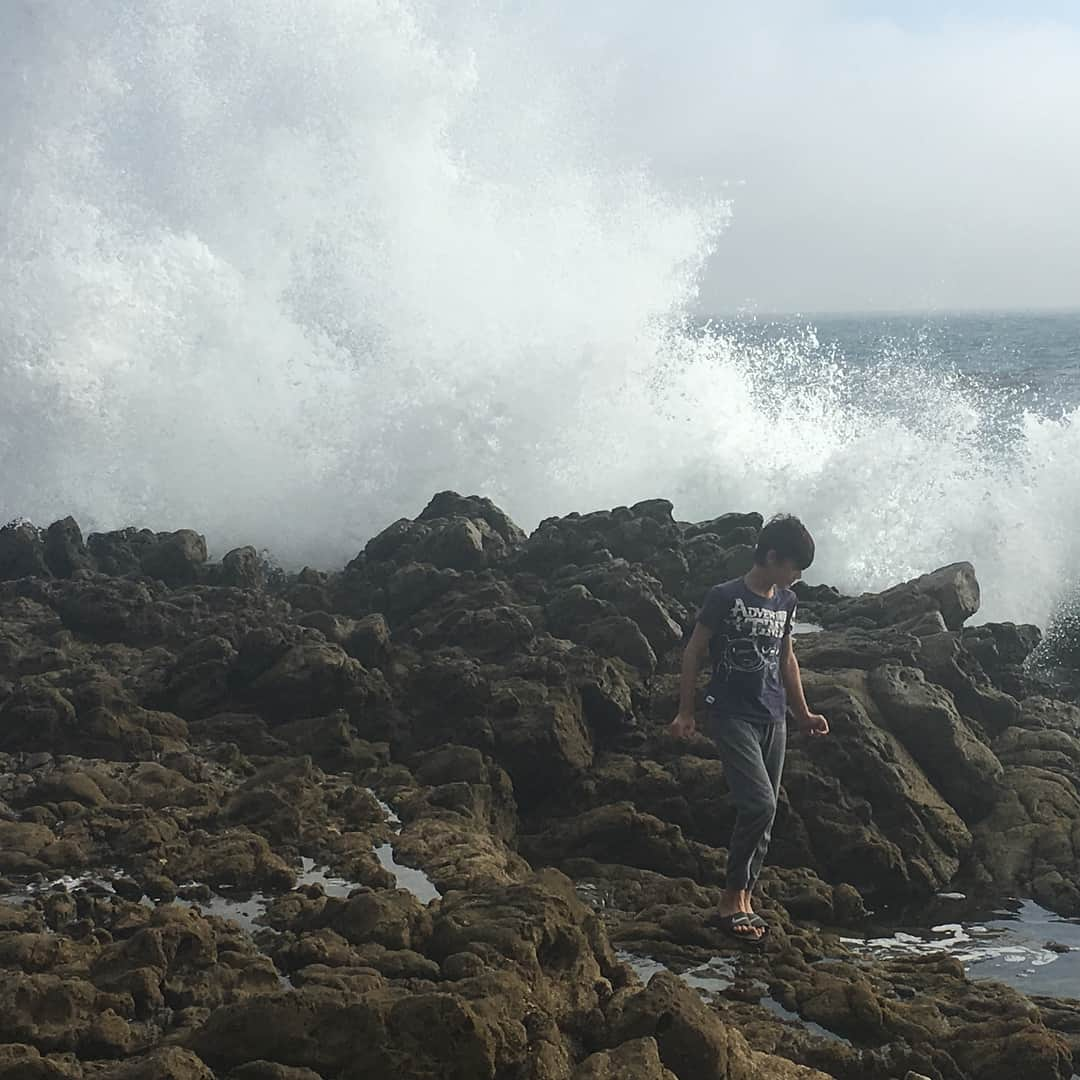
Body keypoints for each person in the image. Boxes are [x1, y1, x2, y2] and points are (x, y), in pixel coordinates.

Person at [669, 514, 829, 942]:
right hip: (729, 713)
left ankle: (744, 899)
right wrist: (686, 711)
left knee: (766, 813)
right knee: (759, 805)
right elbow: (694, 652)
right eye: (794, 567)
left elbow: (786, 658)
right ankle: (729, 901)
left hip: (772, 715)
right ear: (772, 556)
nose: (796, 577)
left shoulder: (785, 601)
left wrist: (803, 713)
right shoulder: (724, 596)